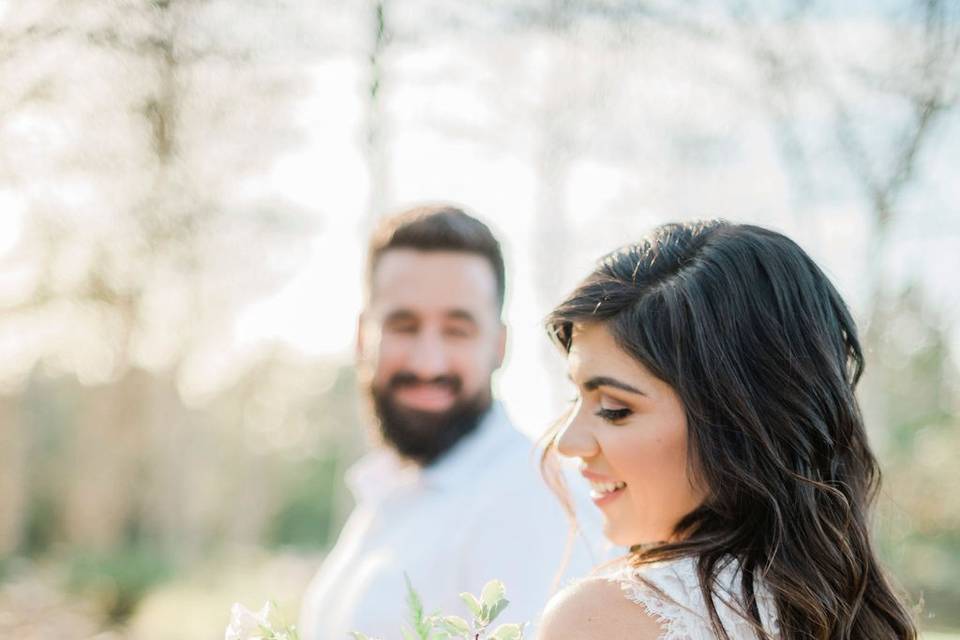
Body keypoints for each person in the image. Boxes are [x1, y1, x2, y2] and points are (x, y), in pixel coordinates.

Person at [537, 221, 918, 639]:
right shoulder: (848, 615)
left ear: (738, 423)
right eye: (576, 398)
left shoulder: (599, 620)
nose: (567, 442)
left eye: (615, 409)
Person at [299, 205, 601, 640]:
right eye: (404, 326)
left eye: (457, 330)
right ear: (364, 336)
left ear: (499, 346)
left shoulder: (533, 505)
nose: (427, 362)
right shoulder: (389, 489)